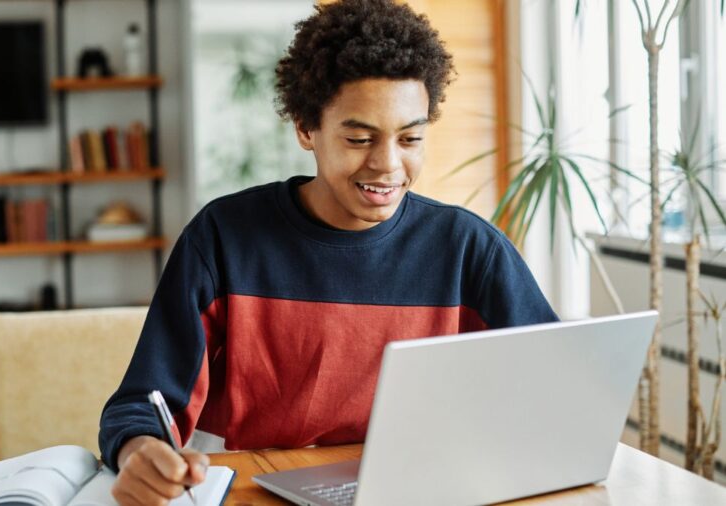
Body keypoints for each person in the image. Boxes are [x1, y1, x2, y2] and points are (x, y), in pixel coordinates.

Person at [100, 0, 558, 504]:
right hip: (253, 492)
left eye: (411, 138)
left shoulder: (469, 250)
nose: (387, 165)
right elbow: (144, 403)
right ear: (305, 128)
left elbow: (556, 387)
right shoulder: (223, 238)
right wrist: (139, 450)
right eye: (359, 138)